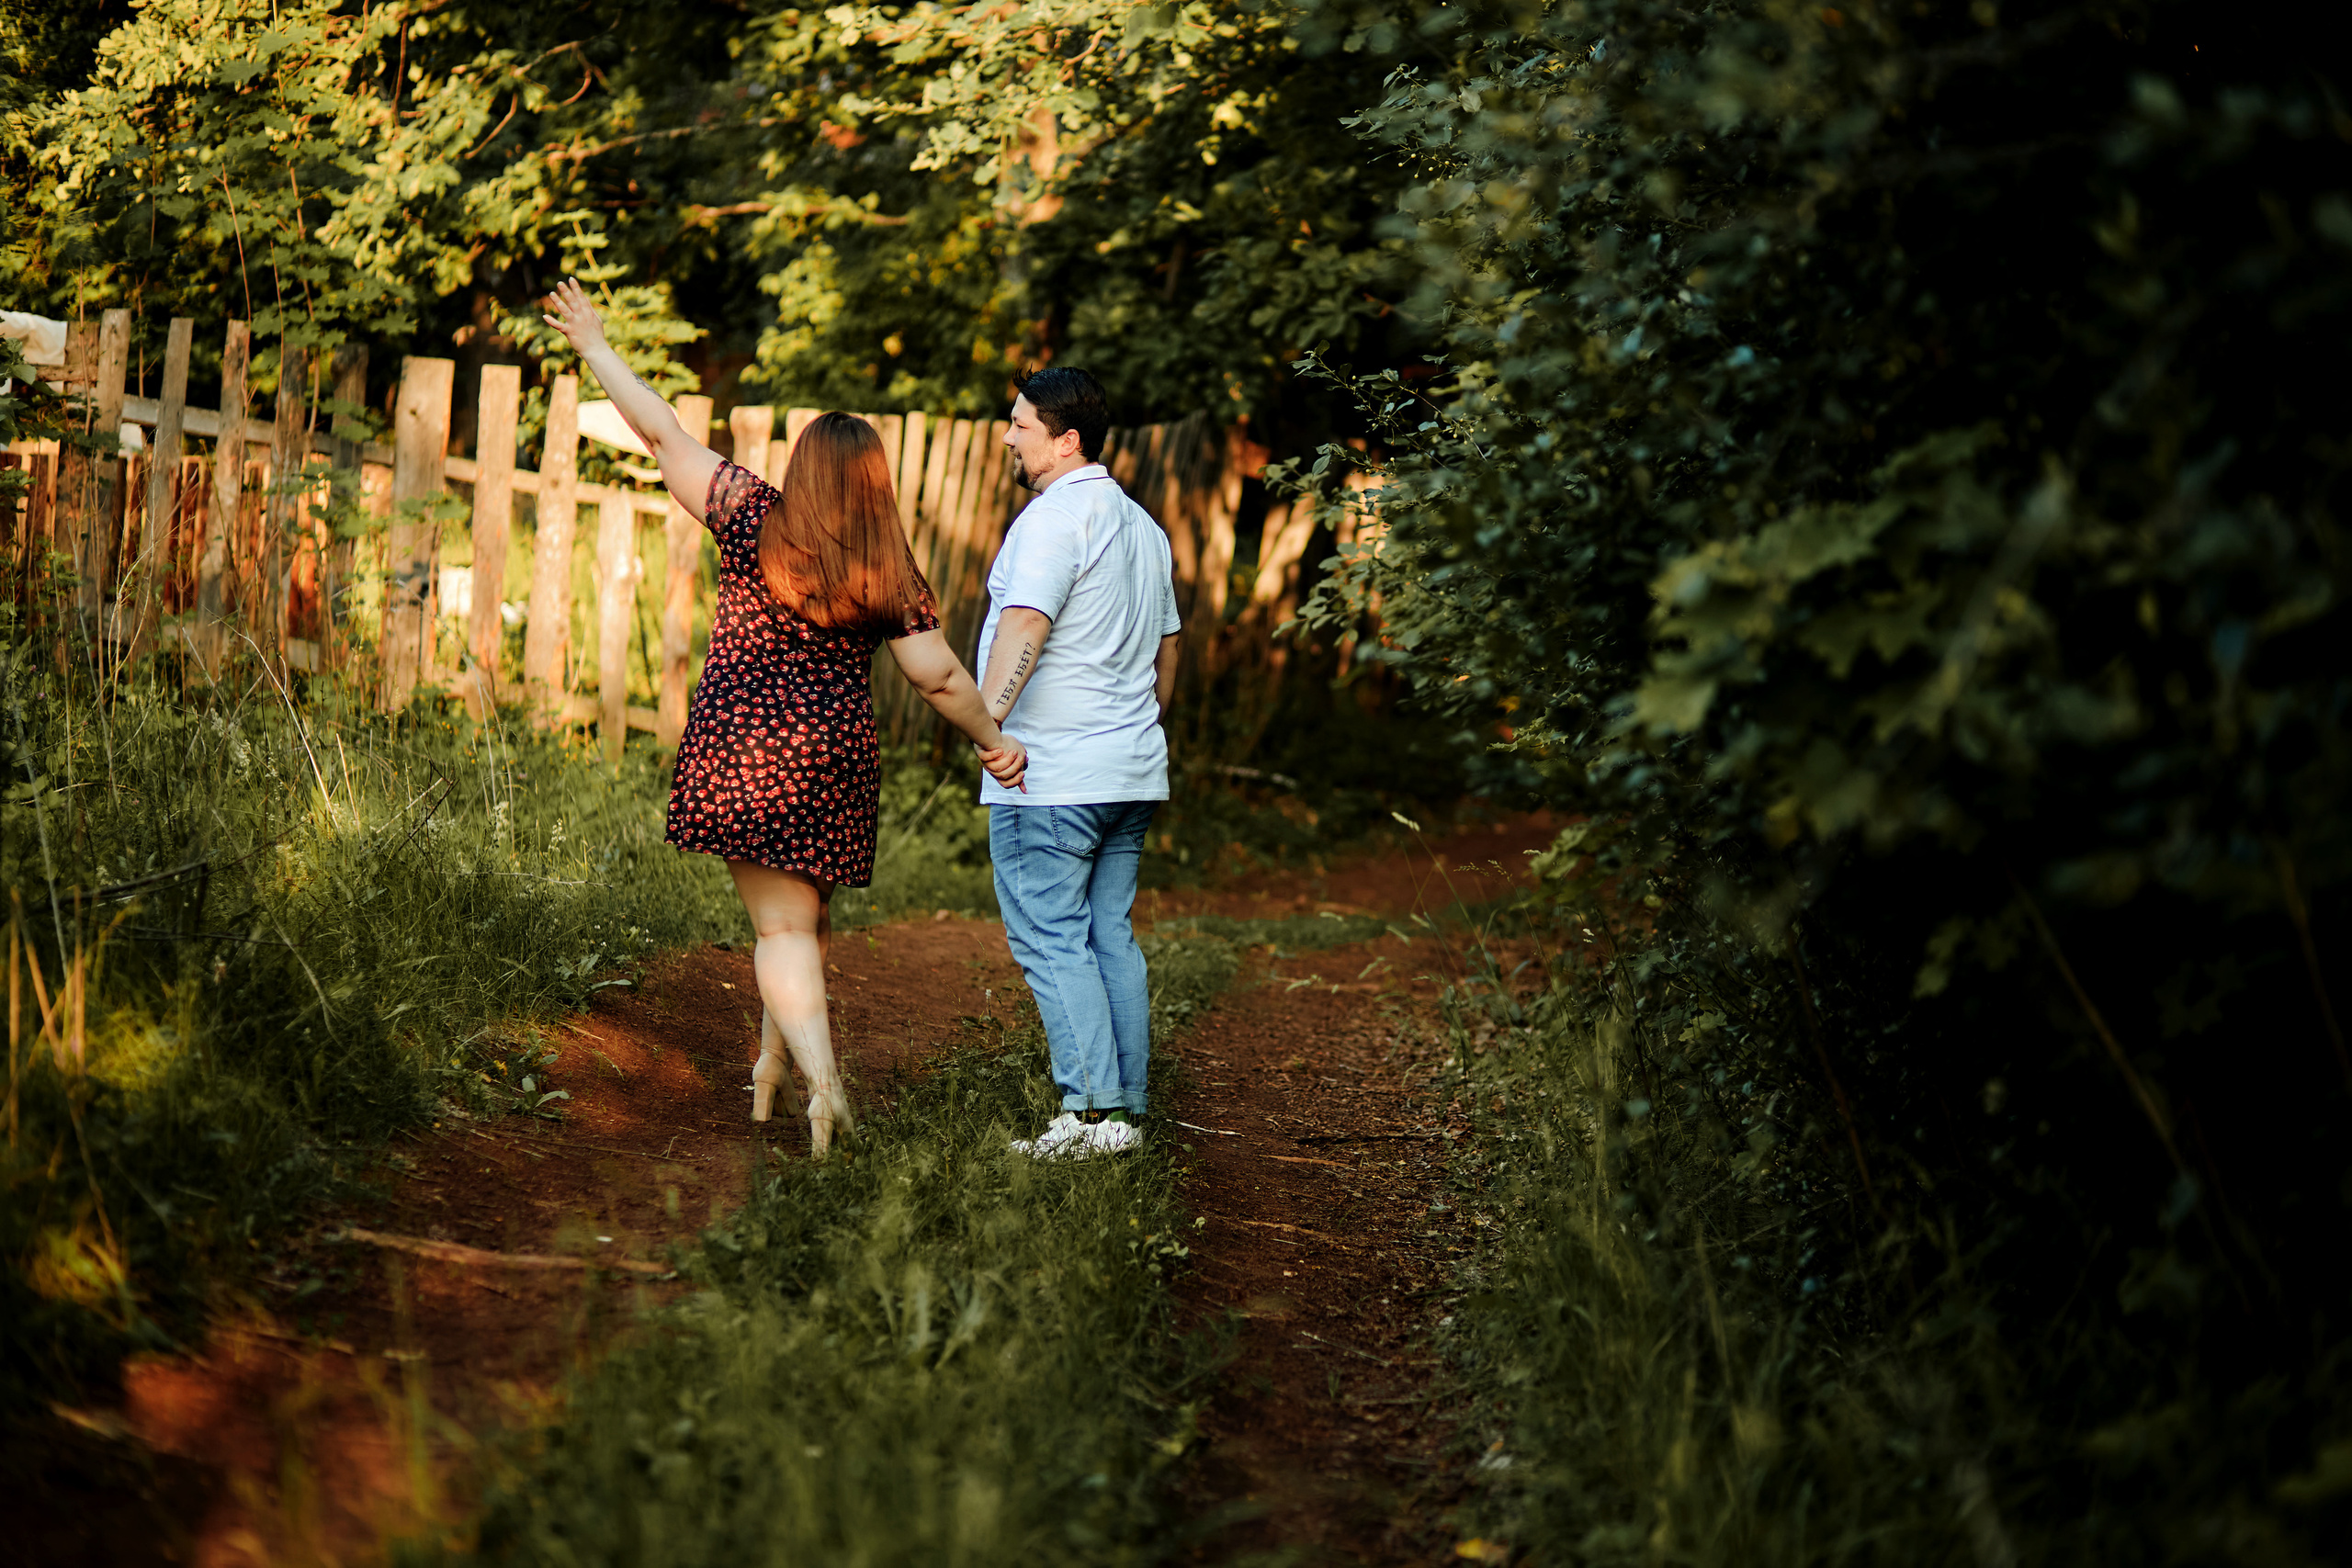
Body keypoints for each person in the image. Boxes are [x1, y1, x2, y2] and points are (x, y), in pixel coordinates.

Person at [541, 279, 1027, 1156]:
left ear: (802, 467)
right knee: (807, 920)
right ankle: (771, 1070)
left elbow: (661, 431)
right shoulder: (886, 567)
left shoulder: (750, 513)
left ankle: (825, 1093)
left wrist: (596, 346)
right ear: (874, 485)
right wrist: (993, 742)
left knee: (782, 928)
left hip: (747, 750)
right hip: (834, 759)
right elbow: (940, 677)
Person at [975, 367, 1182, 1161]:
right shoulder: (1143, 526)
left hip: (1052, 776)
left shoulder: (1054, 518)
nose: (1008, 437)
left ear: (1066, 440)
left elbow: (1026, 622)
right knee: (1108, 936)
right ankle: (1124, 1112)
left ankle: (1092, 1116)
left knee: (1052, 936)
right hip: (1129, 771)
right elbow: (1168, 648)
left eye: (1020, 424)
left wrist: (987, 722)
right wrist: (1138, 729)